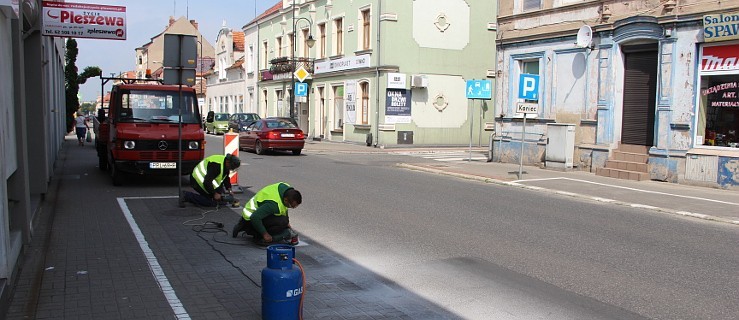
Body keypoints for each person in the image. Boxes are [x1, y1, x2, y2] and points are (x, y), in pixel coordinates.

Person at [232, 182, 302, 246]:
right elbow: (255, 217)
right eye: (291, 206)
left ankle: (243, 226)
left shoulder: (286, 189)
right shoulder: (273, 204)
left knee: (284, 221)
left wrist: (287, 223)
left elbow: (284, 208)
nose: (292, 208)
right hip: (251, 219)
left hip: (257, 212)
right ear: (286, 200)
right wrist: (265, 234)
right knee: (281, 222)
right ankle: (257, 235)